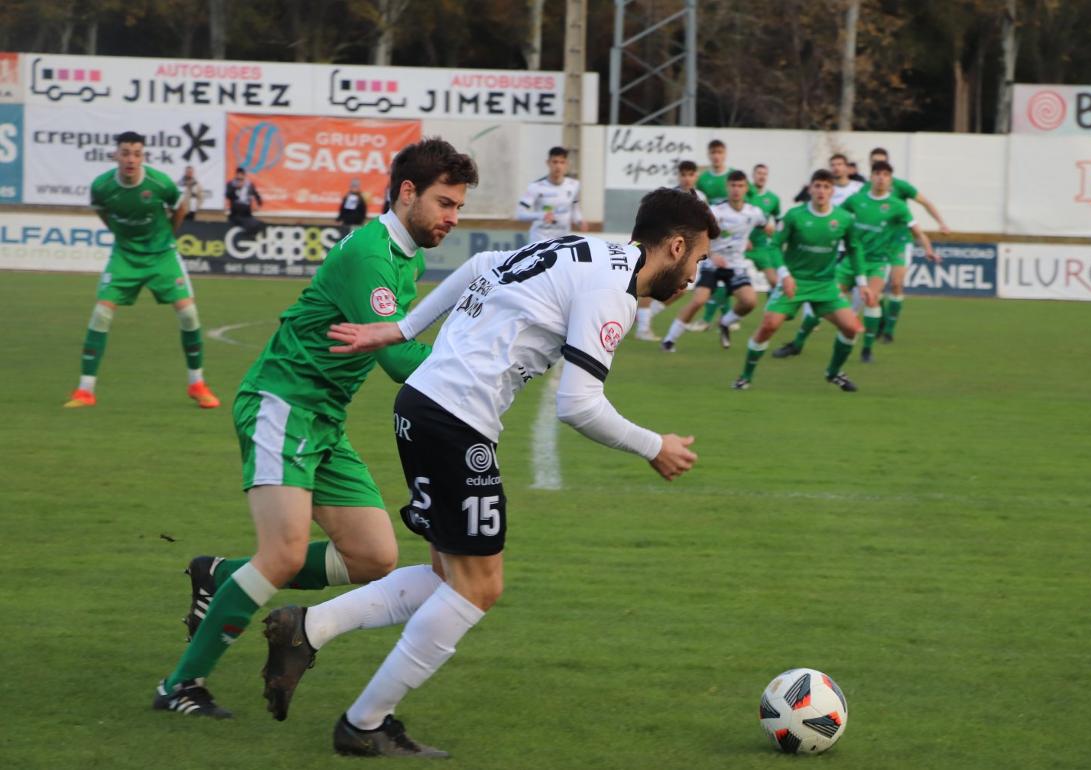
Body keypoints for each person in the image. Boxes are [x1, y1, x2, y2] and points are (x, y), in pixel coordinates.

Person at [257, 187, 714, 757]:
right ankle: (364, 724)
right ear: (674, 246)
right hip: (455, 422)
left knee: (450, 576)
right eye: (697, 259)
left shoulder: (586, 249)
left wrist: (402, 328)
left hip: (422, 407)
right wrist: (655, 446)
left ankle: (309, 629)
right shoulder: (613, 292)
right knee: (480, 587)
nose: (696, 273)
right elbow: (579, 404)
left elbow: (479, 265)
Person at [151, 139, 479, 719]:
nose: (454, 218)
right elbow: (398, 360)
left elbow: (401, 345)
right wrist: (486, 361)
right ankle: (180, 686)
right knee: (281, 554)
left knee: (373, 556)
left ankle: (219, 576)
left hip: (324, 417)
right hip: (283, 403)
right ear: (408, 193)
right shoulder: (373, 256)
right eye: (446, 203)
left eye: (458, 206)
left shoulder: (406, 256)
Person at [64, 131, 219, 409]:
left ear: (143, 157)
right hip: (125, 256)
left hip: (162, 255)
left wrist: (168, 237)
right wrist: (121, 236)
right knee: (101, 314)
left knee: (188, 313)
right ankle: (84, 390)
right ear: (116, 155)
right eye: (125, 153)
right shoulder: (101, 186)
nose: (131, 159)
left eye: (137, 154)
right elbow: (103, 212)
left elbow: (180, 207)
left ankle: (197, 384)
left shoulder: (159, 183)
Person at [734, 169, 868, 392]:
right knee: (769, 326)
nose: (821, 191)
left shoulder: (843, 219)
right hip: (794, 282)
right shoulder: (795, 215)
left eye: (826, 187)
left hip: (825, 284)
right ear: (810, 189)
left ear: (832, 191)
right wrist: (784, 275)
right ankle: (745, 376)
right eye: (817, 186)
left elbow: (855, 249)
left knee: (851, 328)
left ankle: (834, 373)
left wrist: (862, 282)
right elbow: (775, 245)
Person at [840, 160, 937, 362]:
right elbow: (836, 219)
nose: (881, 177)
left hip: (879, 260)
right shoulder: (857, 199)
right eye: (877, 173)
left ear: (890, 179)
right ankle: (799, 341)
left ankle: (868, 348)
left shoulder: (898, 205)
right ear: (871, 176)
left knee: (879, 294)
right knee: (830, 296)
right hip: (854, 258)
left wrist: (928, 248)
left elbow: (917, 231)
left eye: (885, 174)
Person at [661, 170, 770, 351]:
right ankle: (669, 340)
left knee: (749, 301)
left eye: (740, 186)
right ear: (727, 187)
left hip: (735, 265)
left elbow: (767, 227)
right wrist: (712, 254)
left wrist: (762, 240)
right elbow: (700, 237)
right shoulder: (716, 211)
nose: (736, 190)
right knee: (699, 300)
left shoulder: (754, 212)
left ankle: (725, 322)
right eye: (733, 185)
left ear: (746, 188)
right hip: (713, 263)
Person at [866, 147, 949, 343]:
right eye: (874, 164)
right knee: (873, 292)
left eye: (882, 164)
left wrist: (941, 222)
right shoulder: (864, 190)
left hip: (899, 242)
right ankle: (880, 321)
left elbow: (926, 203)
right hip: (875, 245)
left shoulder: (901, 187)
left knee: (896, 283)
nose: (880, 175)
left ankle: (889, 331)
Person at [636, 160, 705, 341]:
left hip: (685, 251)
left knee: (679, 289)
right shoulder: (670, 197)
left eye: (690, 174)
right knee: (652, 282)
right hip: (664, 248)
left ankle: (643, 317)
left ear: (696, 176)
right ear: (678, 176)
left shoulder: (701, 198)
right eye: (683, 174)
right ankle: (642, 328)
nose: (687, 178)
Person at [692, 140, 747, 332]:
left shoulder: (733, 176)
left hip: (732, 236)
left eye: (720, 152)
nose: (716, 156)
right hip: (711, 234)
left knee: (722, 276)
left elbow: (748, 203)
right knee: (713, 276)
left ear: (725, 154)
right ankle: (718, 318)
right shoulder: (703, 179)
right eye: (713, 152)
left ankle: (714, 318)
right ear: (709, 155)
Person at [515, 146, 584, 244]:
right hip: (540, 239)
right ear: (548, 163)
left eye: (562, 162)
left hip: (562, 240)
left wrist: (580, 221)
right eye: (555, 162)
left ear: (566, 164)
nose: (558, 166)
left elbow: (575, 209)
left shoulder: (574, 185)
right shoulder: (535, 187)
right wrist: (542, 215)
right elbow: (520, 214)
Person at [746, 163, 783, 291]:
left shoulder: (773, 199)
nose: (762, 176)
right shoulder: (744, 195)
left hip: (762, 246)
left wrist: (776, 236)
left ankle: (771, 308)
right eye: (759, 173)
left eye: (764, 174)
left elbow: (779, 222)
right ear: (753, 175)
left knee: (774, 281)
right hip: (742, 245)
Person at [225, 166, 265, 234]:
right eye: (238, 175)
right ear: (236, 175)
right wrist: (236, 188)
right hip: (235, 213)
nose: (240, 178)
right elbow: (228, 195)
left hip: (246, 213)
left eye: (242, 175)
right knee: (246, 224)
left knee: (258, 224)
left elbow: (256, 195)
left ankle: (249, 235)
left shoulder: (249, 185)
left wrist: (259, 204)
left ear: (244, 176)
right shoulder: (231, 184)